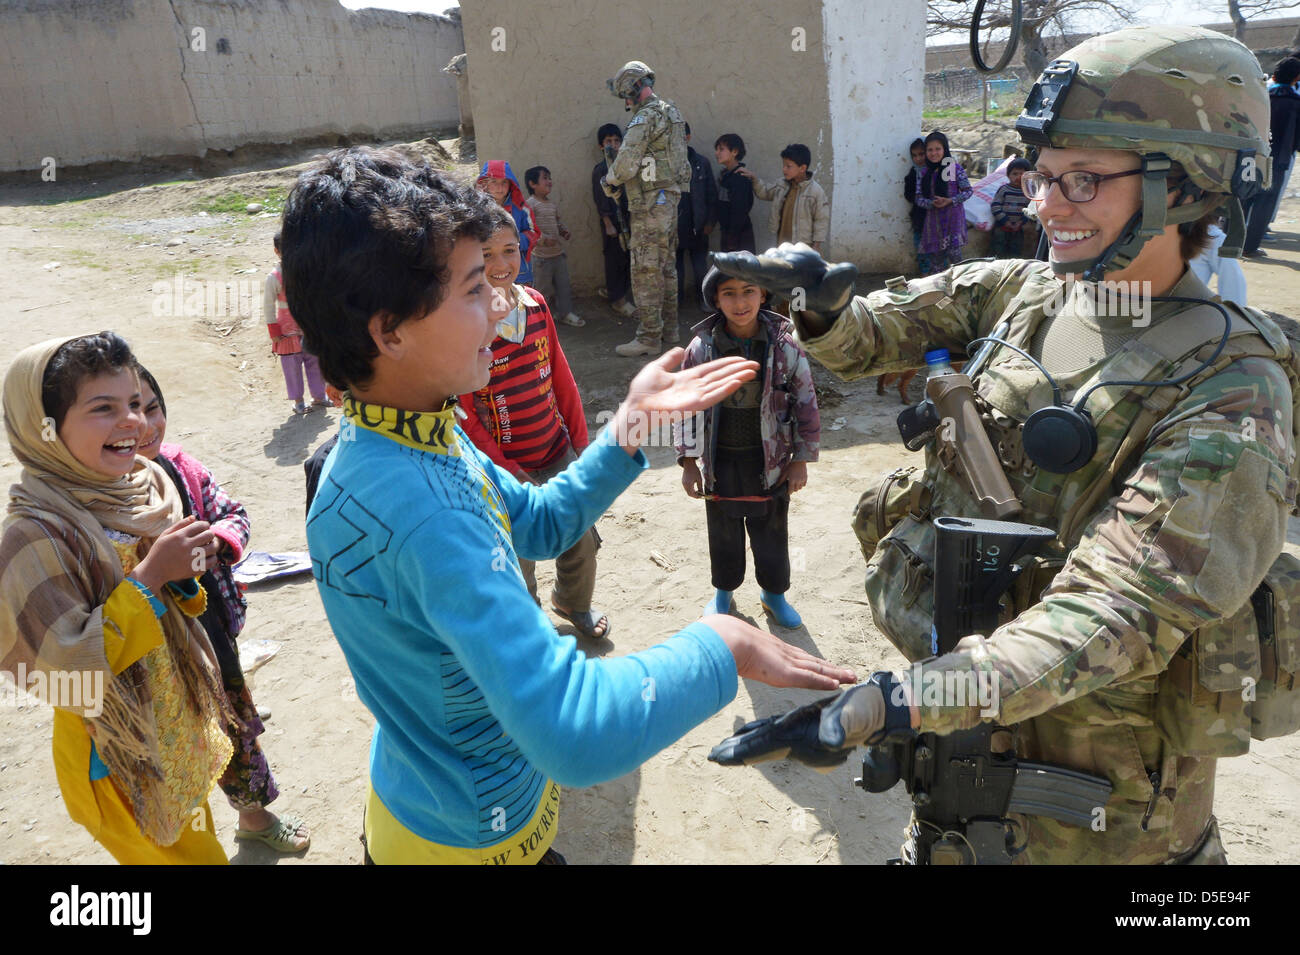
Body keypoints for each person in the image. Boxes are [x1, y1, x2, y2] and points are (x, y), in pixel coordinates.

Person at [707, 26, 1297, 865]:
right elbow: (879, 335)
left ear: (1187, 187)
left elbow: (1111, 612)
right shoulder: (1028, 291)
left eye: (1084, 180)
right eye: (1043, 176)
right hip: (961, 762)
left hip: (1106, 818)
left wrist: (902, 699)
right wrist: (827, 308)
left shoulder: (1234, 390)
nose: (1046, 205)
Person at [279, 146, 856, 865]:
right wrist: (724, 646)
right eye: (471, 289)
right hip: (470, 841)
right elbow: (575, 731)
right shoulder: (425, 512)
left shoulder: (411, 429)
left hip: (432, 804)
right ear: (388, 330)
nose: (500, 305)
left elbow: (542, 520)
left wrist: (628, 429)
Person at [0, 332, 235, 864]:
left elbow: (172, 603)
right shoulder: (32, 536)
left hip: (171, 720)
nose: (132, 421)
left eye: (133, 402)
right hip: (113, 750)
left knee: (198, 844)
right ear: (44, 429)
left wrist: (181, 576)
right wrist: (150, 578)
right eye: (102, 408)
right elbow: (63, 671)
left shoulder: (140, 488)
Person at [134, 365, 310, 853]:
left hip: (209, 633)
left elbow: (235, 513)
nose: (142, 424)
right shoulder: (93, 505)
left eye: (151, 407)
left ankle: (254, 817)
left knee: (234, 725)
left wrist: (218, 541)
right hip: (148, 655)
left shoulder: (180, 468)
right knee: (171, 755)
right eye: (125, 411)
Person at [456, 205, 608, 640]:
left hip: (554, 449)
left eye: (510, 250)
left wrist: (578, 446)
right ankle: (531, 623)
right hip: (505, 469)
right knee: (516, 553)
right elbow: (465, 415)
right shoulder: (470, 327)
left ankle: (573, 602)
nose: (501, 265)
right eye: (486, 255)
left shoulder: (537, 305)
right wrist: (508, 471)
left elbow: (561, 377)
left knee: (578, 535)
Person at [677, 268, 820, 629]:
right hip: (719, 458)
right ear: (716, 299)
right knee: (723, 527)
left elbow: (806, 401)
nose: (740, 302)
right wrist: (688, 461)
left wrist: (801, 459)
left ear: (764, 295)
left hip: (769, 459)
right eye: (729, 293)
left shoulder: (786, 346)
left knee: (771, 528)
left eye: (748, 291)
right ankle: (724, 592)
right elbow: (687, 405)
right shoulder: (702, 349)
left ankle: (774, 595)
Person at [600, 60, 692, 357]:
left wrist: (609, 178)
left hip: (649, 203)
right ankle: (670, 330)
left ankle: (649, 338)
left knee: (645, 269)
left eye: (625, 94)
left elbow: (626, 163)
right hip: (670, 199)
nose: (626, 101)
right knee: (666, 267)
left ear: (632, 88)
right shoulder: (672, 113)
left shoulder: (645, 118)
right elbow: (682, 162)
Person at [1242, 56, 1300, 256]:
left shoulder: (1259, 96)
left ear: (1274, 75)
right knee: (1265, 202)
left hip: (1250, 155)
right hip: (1279, 159)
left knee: (1244, 195)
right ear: (1296, 79)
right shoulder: (1295, 102)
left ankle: (1230, 240)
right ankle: (1249, 247)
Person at [265, 232, 327, 415]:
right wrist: (273, 329)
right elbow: (268, 305)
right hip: (285, 329)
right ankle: (299, 401)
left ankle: (319, 397)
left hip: (308, 324)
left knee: (315, 360)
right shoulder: (274, 277)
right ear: (277, 251)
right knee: (291, 365)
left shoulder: (307, 272)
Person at [739, 143, 830, 253]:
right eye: (783, 165)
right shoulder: (781, 185)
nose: (784, 169)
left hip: (803, 245)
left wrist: (816, 245)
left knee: (799, 269)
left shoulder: (815, 191)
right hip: (782, 243)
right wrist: (754, 179)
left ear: (802, 168)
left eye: (788, 166)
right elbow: (765, 192)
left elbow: (821, 220)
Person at [523, 165, 583, 328]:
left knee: (563, 287)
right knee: (542, 291)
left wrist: (563, 231)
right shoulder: (530, 204)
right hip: (541, 257)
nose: (549, 181)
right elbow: (529, 228)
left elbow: (557, 221)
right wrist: (543, 240)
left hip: (557, 254)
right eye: (545, 178)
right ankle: (540, 318)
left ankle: (565, 313)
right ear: (532, 184)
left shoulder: (551, 204)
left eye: (550, 178)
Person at [591, 122, 636, 319]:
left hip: (629, 221)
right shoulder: (601, 170)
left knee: (628, 260)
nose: (613, 145)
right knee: (614, 259)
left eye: (617, 140)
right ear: (601, 146)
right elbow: (600, 199)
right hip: (612, 224)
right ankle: (617, 300)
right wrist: (608, 223)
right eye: (609, 141)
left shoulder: (624, 167)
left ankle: (620, 294)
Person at [914, 130, 971, 275]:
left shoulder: (952, 169)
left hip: (953, 222)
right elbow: (918, 198)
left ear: (945, 149)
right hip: (934, 224)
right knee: (936, 264)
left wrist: (950, 200)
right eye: (930, 150)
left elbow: (968, 191)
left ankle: (961, 289)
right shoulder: (924, 172)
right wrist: (931, 204)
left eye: (938, 149)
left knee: (956, 261)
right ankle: (938, 293)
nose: (934, 153)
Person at [476, 160, 540, 286]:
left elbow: (535, 232)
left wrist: (513, 242)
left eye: (504, 182)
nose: (500, 187)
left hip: (520, 272)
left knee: (521, 302)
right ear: (484, 184)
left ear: (511, 184)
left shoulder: (521, 208)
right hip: (489, 272)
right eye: (494, 182)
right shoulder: (476, 209)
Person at [677, 122, 718, 309]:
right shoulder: (666, 164)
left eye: (681, 136)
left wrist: (710, 221)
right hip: (675, 225)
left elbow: (712, 195)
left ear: (688, 137)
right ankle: (676, 302)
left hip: (698, 225)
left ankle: (704, 299)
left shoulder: (701, 163)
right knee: (675, 268)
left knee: (700, 265)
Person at [715, 133, 756, 254]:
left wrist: (732, 238)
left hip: (739, 239)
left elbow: (739, 210)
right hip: (728, 235)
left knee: (738, 272)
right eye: (716, 149)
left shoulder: (740, 178)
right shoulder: (725, 176)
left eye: (721, 149)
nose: (717, 153)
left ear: (735, 152)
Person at [989, 158, 1033, 258]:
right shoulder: (1004, 189)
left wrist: (1021, 222)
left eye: (1022, 174)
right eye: (1015, 174)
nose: (1018, 177)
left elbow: (1030, 209)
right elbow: (995, 206)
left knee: (1016, 250)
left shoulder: (1028, 192)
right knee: (998, 248)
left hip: (1018, 228)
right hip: (1002, 226)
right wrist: (1005, 221)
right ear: (1008, 175)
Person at [902, 137, 927, 272]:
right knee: (921, 247)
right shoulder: (913, 173)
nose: (918, 158)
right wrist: (920, 199)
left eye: (921, 154)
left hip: (936, 219)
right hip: (919, 218)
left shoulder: (936, 171)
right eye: (915, 155)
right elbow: (908, 194)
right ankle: (924, 273)